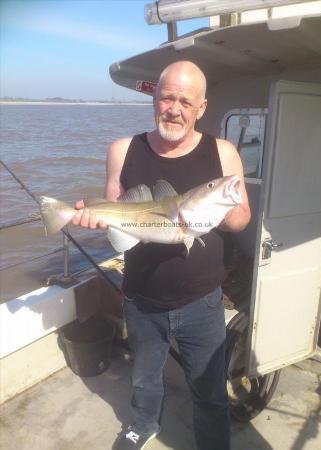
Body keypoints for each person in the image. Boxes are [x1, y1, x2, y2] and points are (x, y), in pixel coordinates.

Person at [73, 61, 251, 450]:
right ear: (154, 99)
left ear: (201, 108)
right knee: (143, 376)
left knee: (208, 386)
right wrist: (93, 215)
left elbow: (241, 221)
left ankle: (213, 442)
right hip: (140, 298)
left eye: (185, 102)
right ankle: (143, 424)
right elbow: (118, 214)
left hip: (202, 302)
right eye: (166, 98)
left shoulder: (223, 153)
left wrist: (221, 206)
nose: (174, 109)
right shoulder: (123, 150)